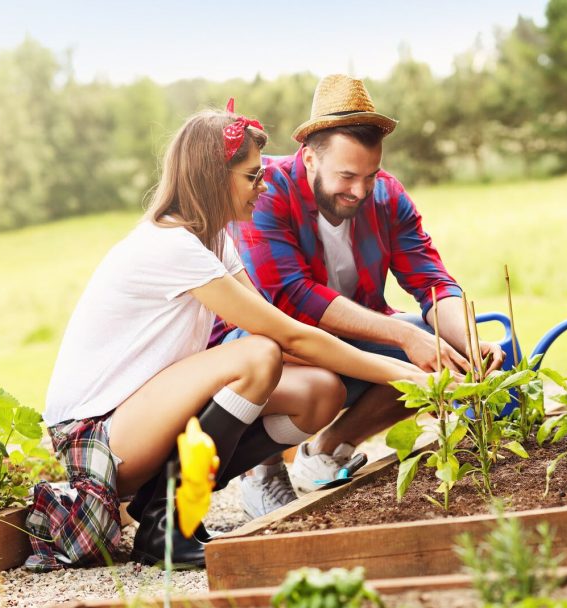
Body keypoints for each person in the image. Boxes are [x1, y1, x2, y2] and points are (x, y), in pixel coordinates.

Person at [27, 101, 431, 571]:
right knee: (257, 354)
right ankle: (167, 525)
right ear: (213, 179)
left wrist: (401, 368)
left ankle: (173, 505)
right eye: (252, 177)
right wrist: (406, 372)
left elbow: (289, 334)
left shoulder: (215, 240)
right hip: (94, 440)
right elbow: (286, 337)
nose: (263, 187)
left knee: (321, 391)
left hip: (141, 418)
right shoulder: (170, 244)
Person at [219, 75, 504, 515]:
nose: (360, 191)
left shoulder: (387, 195)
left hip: (347, 340)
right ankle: (262, 468)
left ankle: (329, 450)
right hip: (264, 345)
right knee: (369, 351)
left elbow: (431, 280)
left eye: (369, 175)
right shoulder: (265, 189)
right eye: (347, 176)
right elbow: (290, 296)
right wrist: (404, 336)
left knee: (436, 348)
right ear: (310, 159)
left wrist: (464, 337)